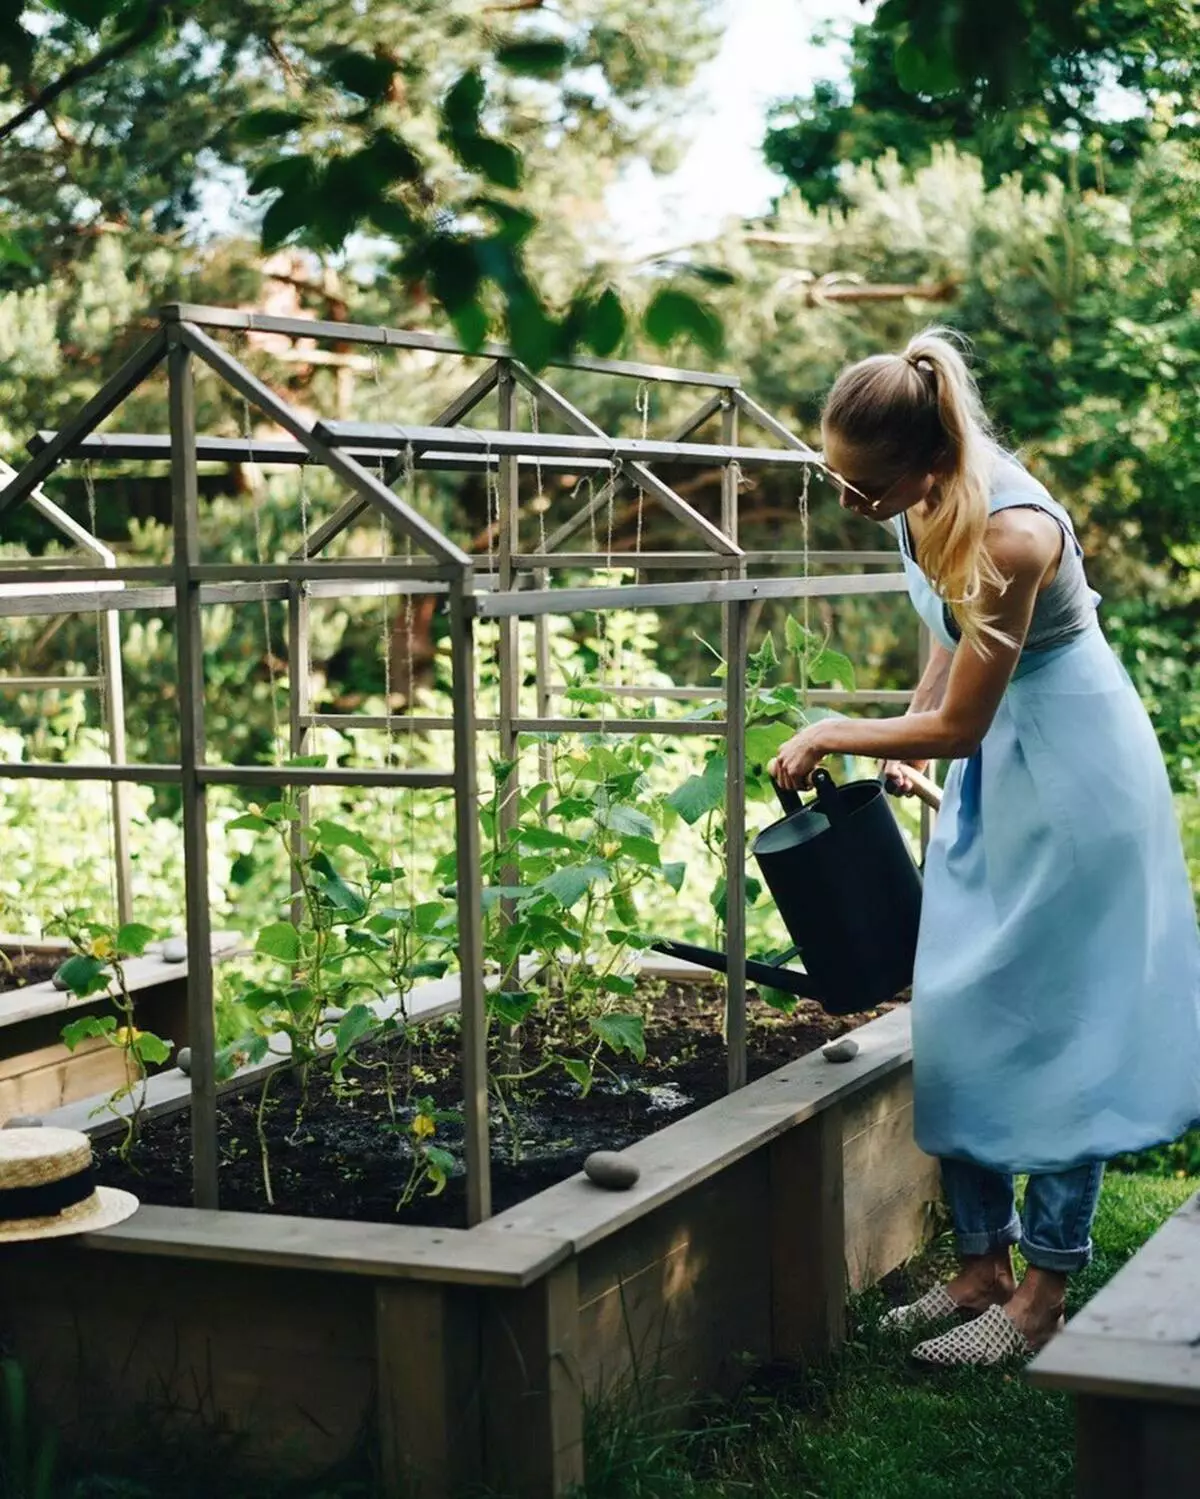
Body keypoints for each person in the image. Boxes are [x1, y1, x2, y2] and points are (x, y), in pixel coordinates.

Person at [772, 329, 1200, 1367]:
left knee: (1059, 1022)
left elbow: (965, 718)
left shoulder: (1013, 533)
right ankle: (979, 1266)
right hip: (996, 767)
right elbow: (945, 641)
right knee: (959, 1004)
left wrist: (840, 729)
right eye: (839, 479)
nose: (852, 501)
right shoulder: (918, 499)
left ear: (930, 460)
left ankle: (1046, 1284)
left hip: (1072, 774)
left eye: (867, 485)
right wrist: (909, 727)